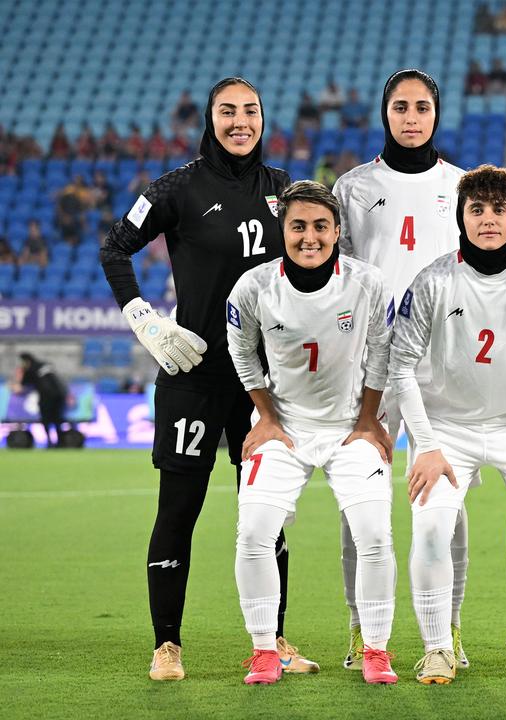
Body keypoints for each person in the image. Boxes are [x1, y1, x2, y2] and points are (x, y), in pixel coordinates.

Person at [98, 77, 312, 681]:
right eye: (227, 111)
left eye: (250, 111)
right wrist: (146, 322)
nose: (239, 121)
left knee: (266, 515)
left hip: (263, 389)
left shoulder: (282, 192)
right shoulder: (176, 188)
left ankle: (272, 641)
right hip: (192, 376)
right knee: (179, 509)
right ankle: (167, 646)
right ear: (211, 118)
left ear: (264, 119)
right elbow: (115, 249)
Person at [389, 165, 506, 685]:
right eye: (478, 210)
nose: (489, 219)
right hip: (447, 428)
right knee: (429, 528)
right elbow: (400, 364)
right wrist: (424, 445)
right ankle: (438, 649)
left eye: (499, 209)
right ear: (461, 217)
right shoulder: (432, 280)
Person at [226, 181, 399, 685]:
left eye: (321, 226)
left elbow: (382, 352)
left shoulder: (368, 283)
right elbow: (241, 351)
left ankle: (376, 651)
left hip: (350, 428)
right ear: (283, 230)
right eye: (298, 226)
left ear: (337, 231)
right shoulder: (254, 286)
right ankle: (263, 652)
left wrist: (369, 420)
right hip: (286, 429)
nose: (310, 237)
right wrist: (267, 417)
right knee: (254, 533)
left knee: (373, 535)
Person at [333, 69, 470, 671]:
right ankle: (363, 630)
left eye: (421, 107)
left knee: (448, 494)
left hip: (444, 362)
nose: (411, 117)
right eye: (400, 106)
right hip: (373, 363)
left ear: (437, 115)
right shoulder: (353, 187)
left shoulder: (462, 185)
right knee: (359, 496)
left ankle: (451, 631)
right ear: (384, 114)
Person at [13, 352, 68, 447]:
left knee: (46, 420)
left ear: (26, 361)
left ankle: (50, 442)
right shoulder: (45, 365)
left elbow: (22, 385)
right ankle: (60, 441)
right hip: (59, 395)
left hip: (46, 396)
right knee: (57, 419)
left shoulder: (30, 370)